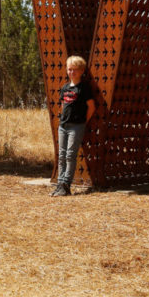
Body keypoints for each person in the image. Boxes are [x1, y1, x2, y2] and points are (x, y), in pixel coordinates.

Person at [51, 55, 96, 197]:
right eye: (69, 69)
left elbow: (91, 107)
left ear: (81, 71)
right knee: (62, 155)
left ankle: (66, 185)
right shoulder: (65, 88)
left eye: (75, 70)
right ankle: (59, 184)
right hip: (63, 125)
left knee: (70, 155)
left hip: (76, 126)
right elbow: (64, 105)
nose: (72, 72)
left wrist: (83, 122)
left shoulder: (84, 88)